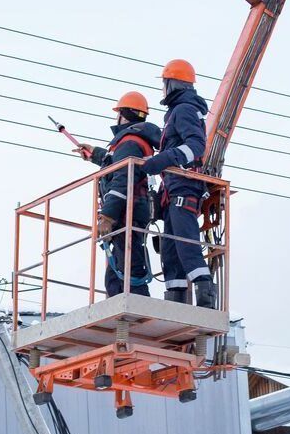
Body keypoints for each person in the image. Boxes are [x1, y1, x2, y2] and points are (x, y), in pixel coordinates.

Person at [141, 59, 217, 309]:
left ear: (172, 84)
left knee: (185, 243)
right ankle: (175, 299)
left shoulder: (183, 109)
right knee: (171, 250)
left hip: (184, 186)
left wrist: (162, 160)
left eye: (164, 84)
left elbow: (196, 146)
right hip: (173, 188)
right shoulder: (177, 112)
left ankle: (205, 296)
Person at [75, 91, 161, 297]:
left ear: (123, 115)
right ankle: (128, 303)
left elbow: (122, 180)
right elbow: (116, 163)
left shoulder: (128, 142)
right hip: (132, 210)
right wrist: (95, 154)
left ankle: (138, 304)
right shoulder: (135, 142)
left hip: (126, 212)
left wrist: (107, 216)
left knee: (129, 267)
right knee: (117, 274)